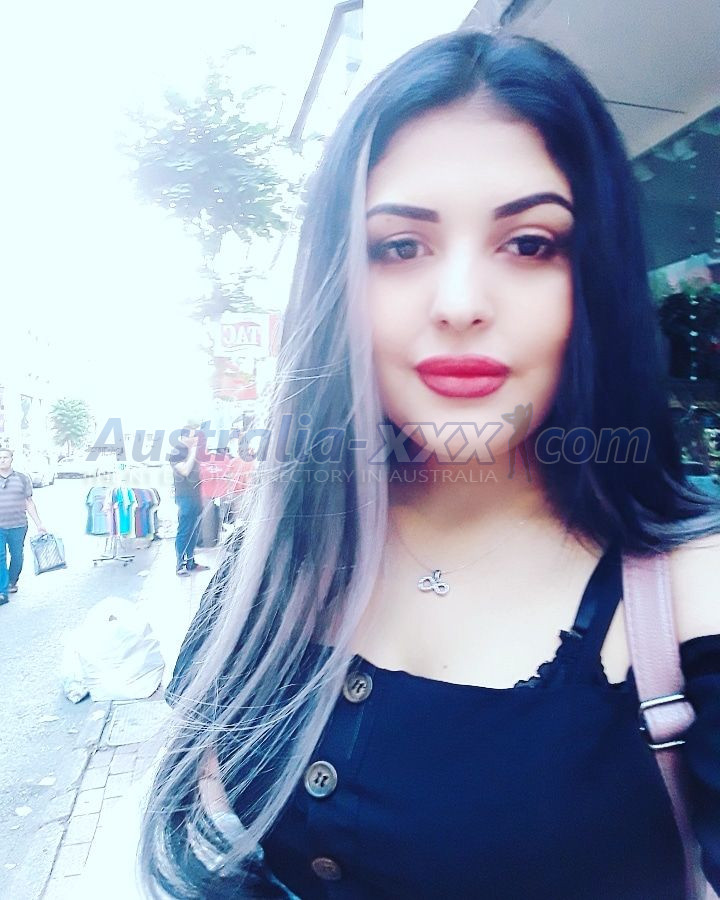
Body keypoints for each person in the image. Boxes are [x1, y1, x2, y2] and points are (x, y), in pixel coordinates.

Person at [141, 32, 720, 899]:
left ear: (594, 277)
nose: (459, 304)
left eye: (529, 244)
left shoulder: (694, 591)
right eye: (401, 247)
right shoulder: (267, 565)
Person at [0, 448, 47, 605]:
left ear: (11, 459)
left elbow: (29, 502)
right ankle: (2, 591)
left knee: (17, 556)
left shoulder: (22, 478)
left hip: (18, 525)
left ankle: (12, 581)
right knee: (0, 558)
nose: (2, 460)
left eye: (5, 457)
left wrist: (39, 524)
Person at [168, 425, 210, 577]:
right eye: (193, 436)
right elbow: (185, 471)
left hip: (196, 496)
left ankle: (190, 562)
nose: (196, 439)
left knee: (194, 530)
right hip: (184, 497)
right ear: (184, 437)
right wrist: (192, 452)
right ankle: (180, 565)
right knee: (184, 530)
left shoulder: (194, 452)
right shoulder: (176, 453)